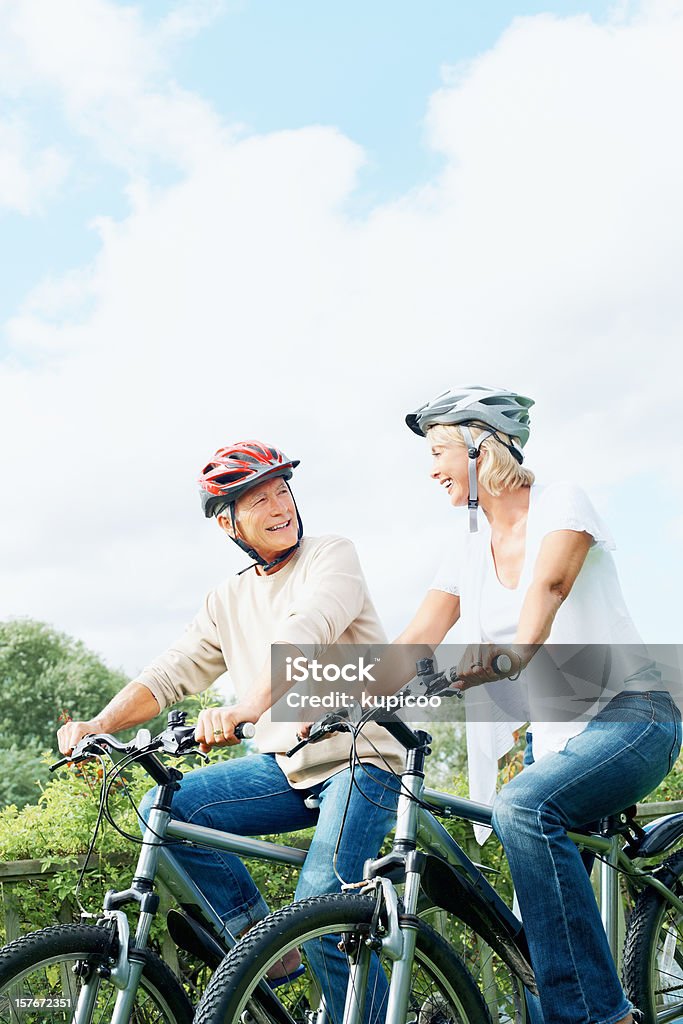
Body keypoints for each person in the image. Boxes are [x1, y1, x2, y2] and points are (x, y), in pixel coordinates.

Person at [385, 386, 681, 1024]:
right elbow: (416, 638)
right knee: (529, 901)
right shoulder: (465, 547)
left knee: (522, 808)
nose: (431, 469)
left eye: (439, 451)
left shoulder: (561, 503)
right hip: (556, 744)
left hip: (635, 715)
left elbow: (545, 593)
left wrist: (501, 659)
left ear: (480, 443)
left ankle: (604, 1017)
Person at [57, 439, 403, 976]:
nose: (280, 505)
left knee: (320, 914)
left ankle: (305, 946)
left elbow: (306, 630)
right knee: (166, 809)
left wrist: (246, 707)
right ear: (228, 524)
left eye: (282, 489)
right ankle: (260, 941)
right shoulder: (227, 598)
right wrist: (99, 725)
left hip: (363, 759)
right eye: (259, 499)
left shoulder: (331, 555)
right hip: (288, 767)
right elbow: (171, 671)